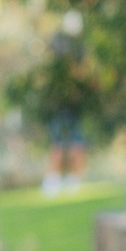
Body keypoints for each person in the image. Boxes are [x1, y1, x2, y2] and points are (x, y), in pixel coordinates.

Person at [40, 10, 90, 196]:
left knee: (78, 143)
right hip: (59, 105)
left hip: (77, 104)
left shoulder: (82, 49)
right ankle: (52, 181)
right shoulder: (57, 45)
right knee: (58, 143)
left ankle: (74, 181)